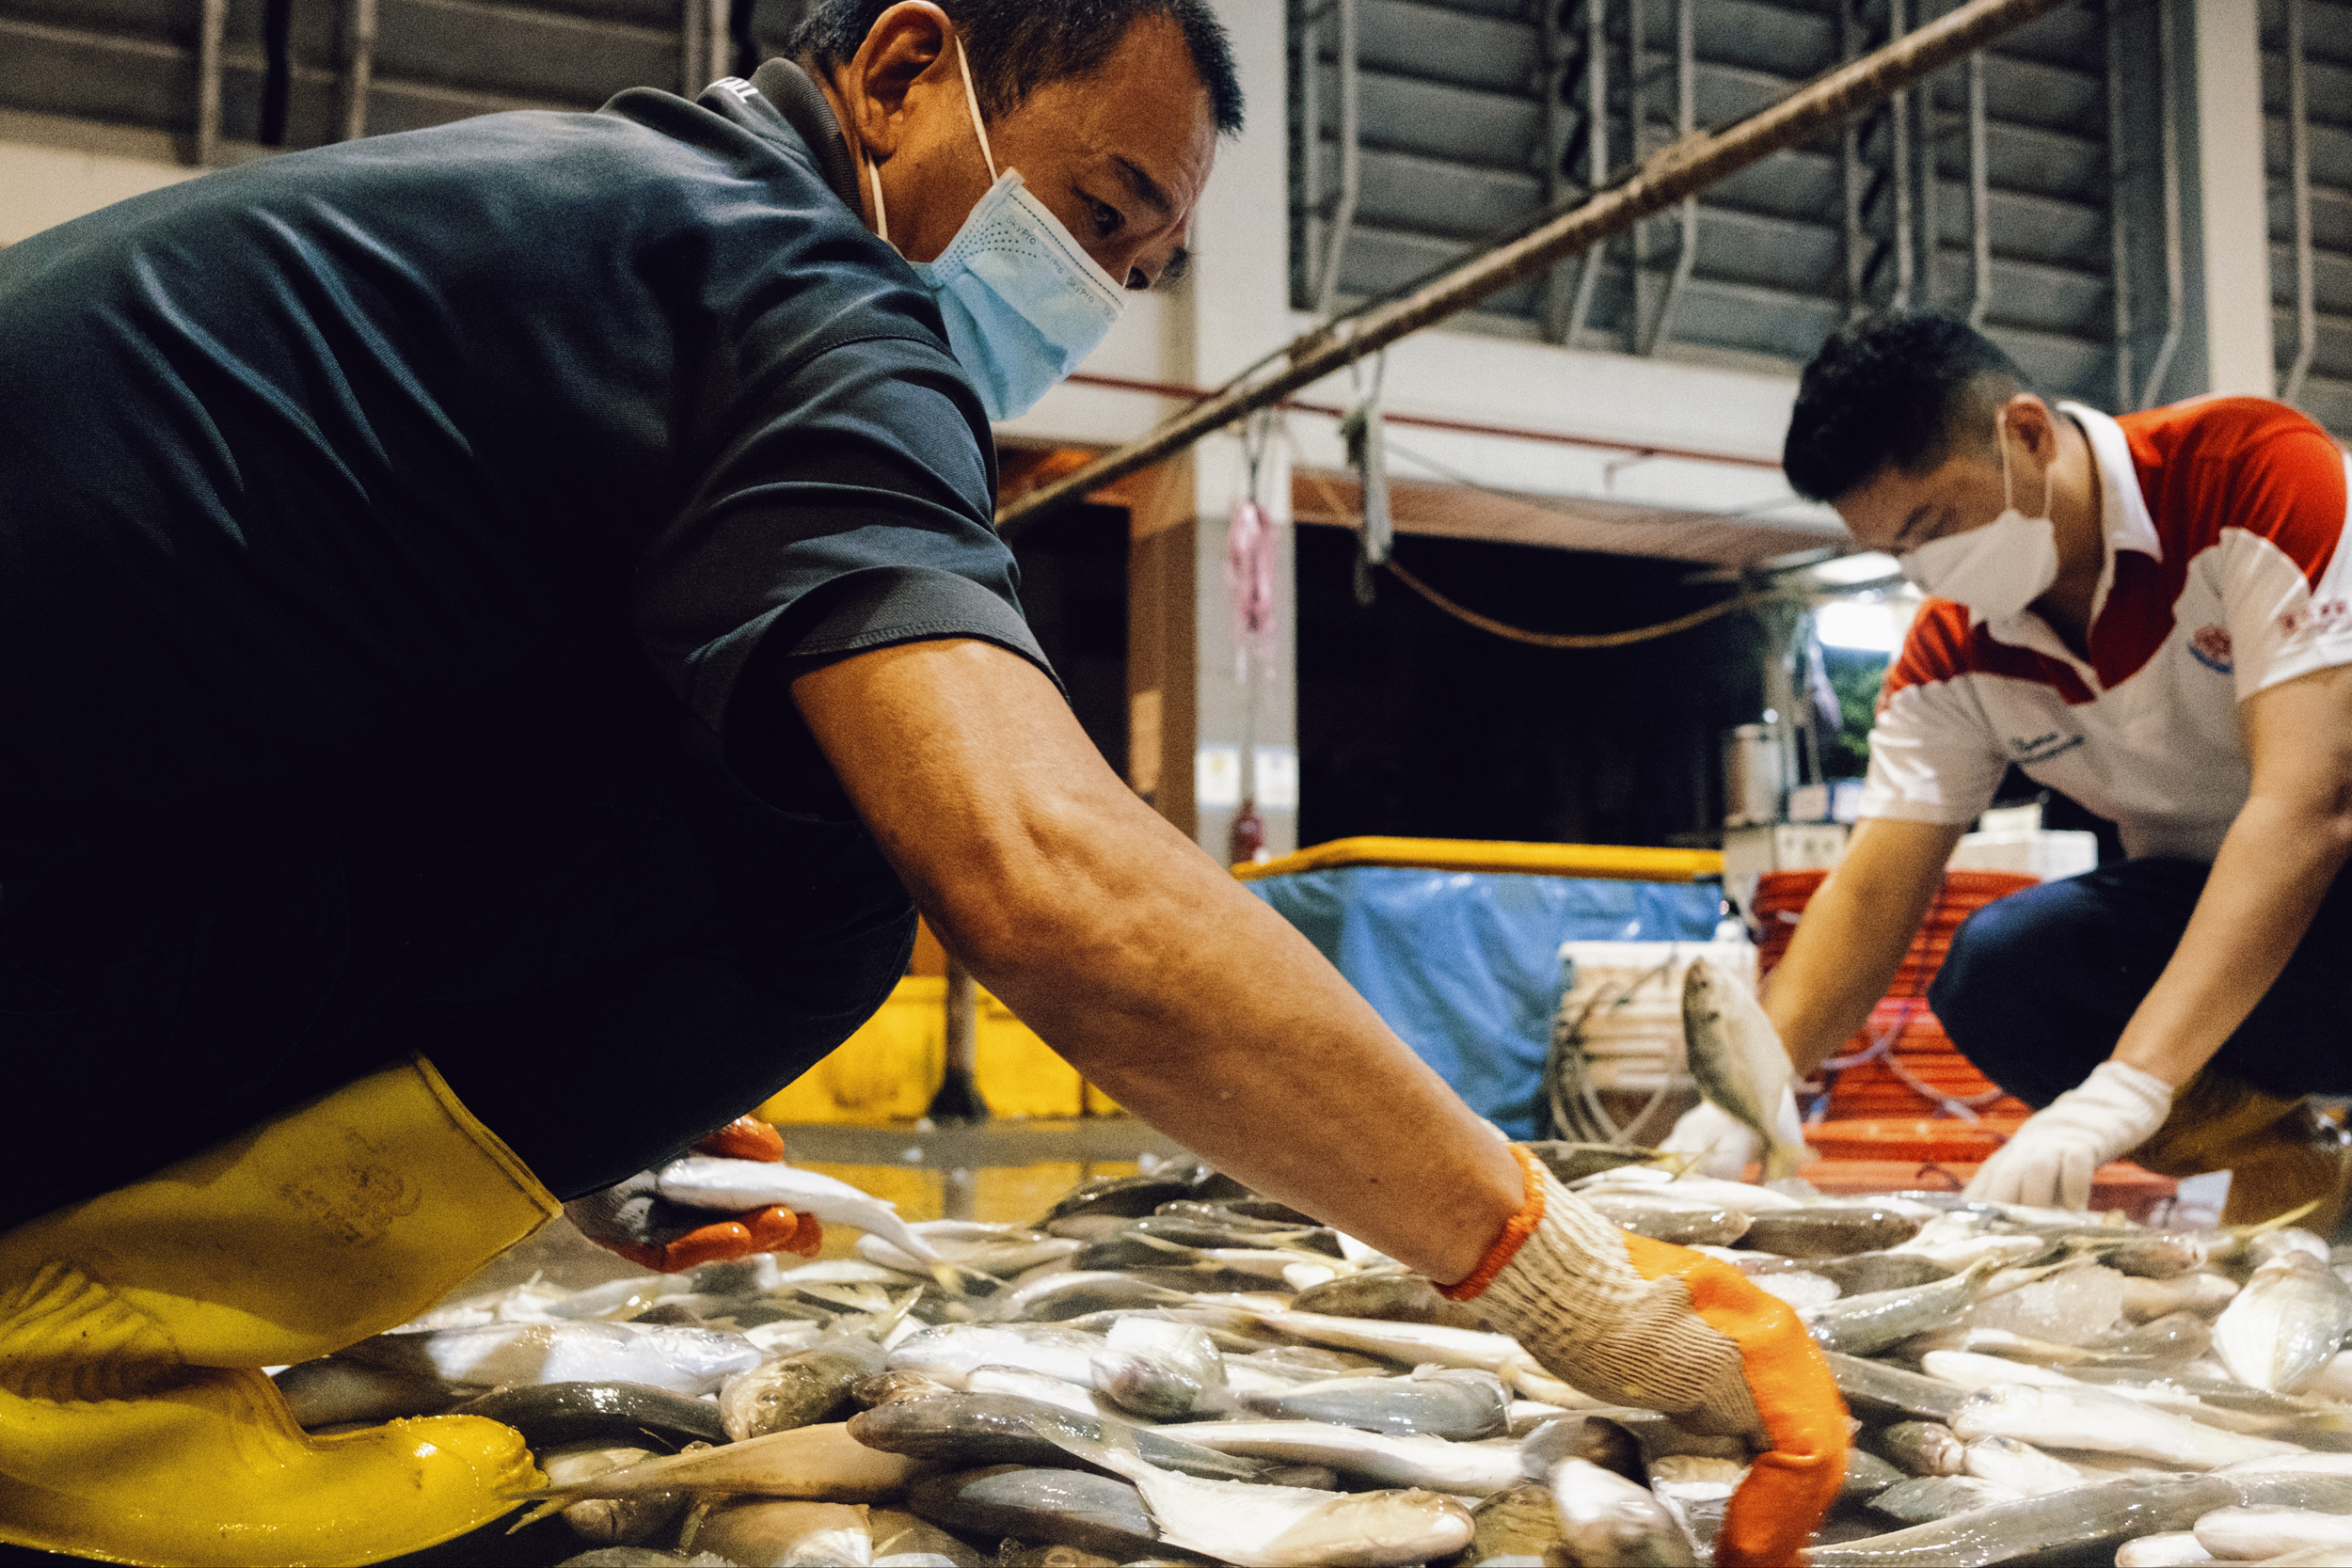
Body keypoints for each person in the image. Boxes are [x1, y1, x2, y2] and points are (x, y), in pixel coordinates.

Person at [0, 3, 1845, 1563]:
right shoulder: (796, 283)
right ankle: (55, 1379)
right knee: (820, 859)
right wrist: (1556, 1265)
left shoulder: (599, 215)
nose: (1094, 299)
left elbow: (348, 727)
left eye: (1134, 269)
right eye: (1097, 210)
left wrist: (599, 1127)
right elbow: (1035, 863)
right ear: (896, 71)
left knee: (737, 757)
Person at [1664, 309, 2352, 1228]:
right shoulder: (1954, 649)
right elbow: (1871, 896)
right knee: (2002, 969)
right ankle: (2289, 1168)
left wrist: (2128, 1085)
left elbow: (2311, 804)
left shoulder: (2246, 473)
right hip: (2254, 951)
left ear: (2025, 432)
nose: (1926, 572)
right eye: (1898, 550)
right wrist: (1747, 1089)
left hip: (2326, 875)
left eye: (1933, 525)